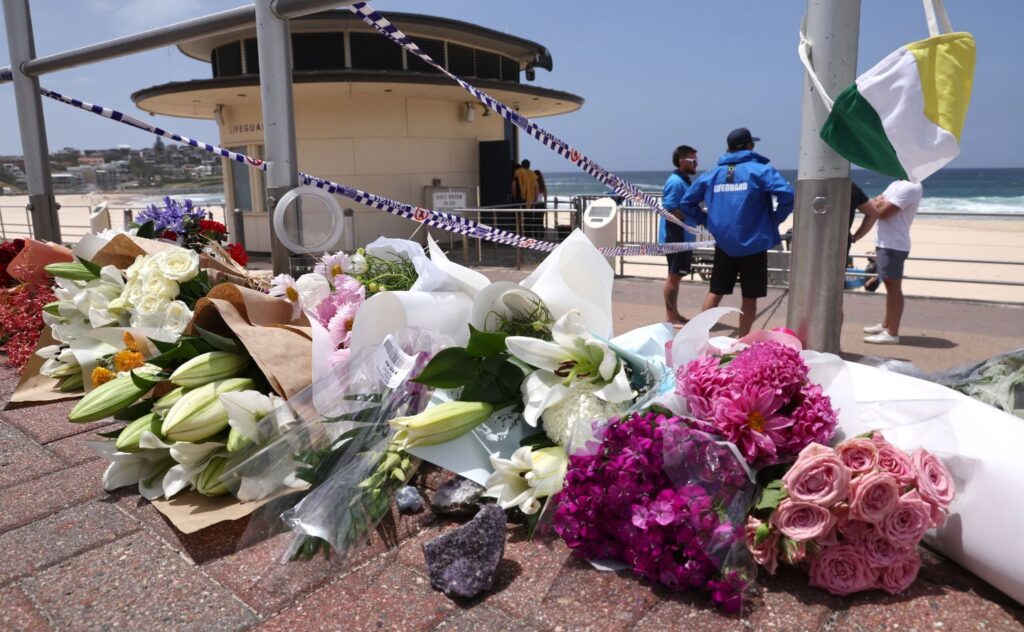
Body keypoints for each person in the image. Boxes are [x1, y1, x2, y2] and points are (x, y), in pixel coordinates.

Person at [681, 128, 794, 337]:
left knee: (716, 292)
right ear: (750, 146)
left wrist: (707, 222)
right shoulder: (760, 170)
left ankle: (695, 338)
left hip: (724, 244)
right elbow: (787, 194)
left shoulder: (713, 173)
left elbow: (687, 202)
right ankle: (742, 340)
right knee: (749, 297)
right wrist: (774, 220)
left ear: (729, 148)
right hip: (754, 244)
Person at [861, 179, 924, 344]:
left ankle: (892, 333)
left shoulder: (912, 186)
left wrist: (879, 204)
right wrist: (878, 203)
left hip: (894, 244)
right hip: (885, 242)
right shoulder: (896, 183)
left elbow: (881, 212)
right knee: (889, 285)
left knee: (894, 286)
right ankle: (886, 325)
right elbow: (875, 204)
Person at [661, 144, 699, 325]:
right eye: (693, 161)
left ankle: (674, 314)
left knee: (676, 276)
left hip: (684, 237)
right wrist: (694, 214)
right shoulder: (676, 182)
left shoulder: (683, 180)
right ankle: (671, 316)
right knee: (674, 276)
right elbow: (670, 209)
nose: (696, 164)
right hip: (677, 237)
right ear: (682, 161)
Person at [511, 159, 539, 237]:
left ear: (522, 165)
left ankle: (520, 235)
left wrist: (514, 197)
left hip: (519, 199)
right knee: (528, 219)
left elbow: (514, 185)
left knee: (518, 219)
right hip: (529, 199)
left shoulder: (517, 172)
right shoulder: (533, 174)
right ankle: (528, 236)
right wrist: (535, 200)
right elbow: (536, 187)